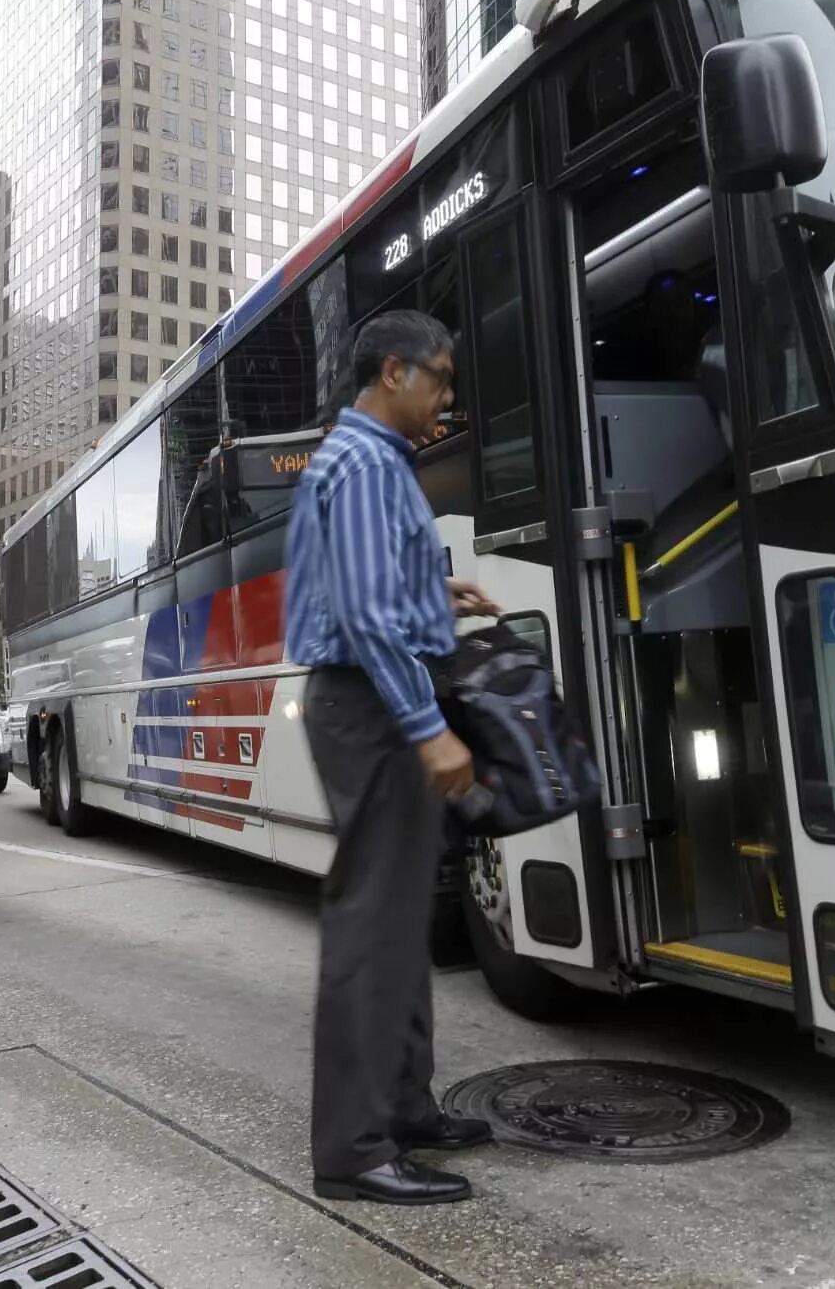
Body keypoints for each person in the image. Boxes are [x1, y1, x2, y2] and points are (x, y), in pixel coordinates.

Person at [284, 310, 501, 1206]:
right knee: (373, 930)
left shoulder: (357, 458)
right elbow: (368, 620)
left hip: (366, 704)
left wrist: (432, 585)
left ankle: (403, 1107)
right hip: (372, 709)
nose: (446, 398)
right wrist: (429, 728)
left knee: (403, 915)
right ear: (392, 373)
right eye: (439, 379)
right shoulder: (369, 462)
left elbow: (367, 587)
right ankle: (353, 1150)